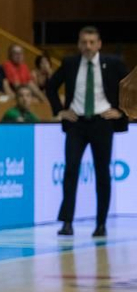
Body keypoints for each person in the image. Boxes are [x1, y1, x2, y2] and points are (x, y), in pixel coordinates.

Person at [44, 27, 128, 238]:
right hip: (77, 123)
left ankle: (101, 224)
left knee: (102, 173)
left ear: (99, 44)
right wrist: (60, 111)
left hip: (102, 122)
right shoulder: (70, 63)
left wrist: (122, 111)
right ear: (78, 44)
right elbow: (51, 87)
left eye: (91, 42)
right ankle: (67, 222)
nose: (87, 46)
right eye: (84, 42)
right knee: (71, 169)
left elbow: (131, 87)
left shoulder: (113, 63)